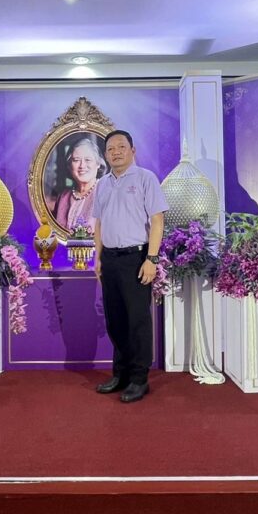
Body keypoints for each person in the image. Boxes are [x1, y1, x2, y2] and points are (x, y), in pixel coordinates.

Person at [93, 129, 168, 403]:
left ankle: (139, 379)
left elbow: (157, 220)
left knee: (137, 321)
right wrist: (98, 258)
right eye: (111, 149)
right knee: (116, 321)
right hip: (110, 260)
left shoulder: (146, 178)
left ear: (132, 150)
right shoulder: (102, 184)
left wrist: (152, 259)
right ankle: (121, 374)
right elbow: (99, 223)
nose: (116, 152)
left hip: (137, 259)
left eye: (121, 147)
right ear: (105, 155)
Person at [53, 135, 106, 234]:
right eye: (76, 160)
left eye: (88, 160)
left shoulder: (107, 195)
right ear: (69, 165)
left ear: (98, 164)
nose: (82, 166)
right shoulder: (63, 197)